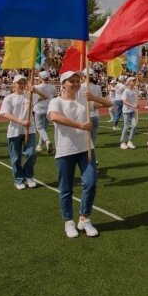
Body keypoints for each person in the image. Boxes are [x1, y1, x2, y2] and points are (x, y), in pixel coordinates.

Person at [48, 71, 103, 238]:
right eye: (71, 81)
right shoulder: (55, 101)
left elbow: (109, 103)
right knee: (66, 188)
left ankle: (84, 218)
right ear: (63, 84)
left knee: (91, 183)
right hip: (65, 150)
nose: (76, 83)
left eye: (78, 81)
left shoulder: (83, 100)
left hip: (86, 148)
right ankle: (68, 221)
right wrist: (80, 125)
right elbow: (54, 116)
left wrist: (94, 98)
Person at [0, 75, 47, 190]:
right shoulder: (9, 98)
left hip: (29, 130)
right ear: (14, 85)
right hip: (14, 131)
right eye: (19, 83)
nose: (21, 85)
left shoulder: (30, 96)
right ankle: (19, 179)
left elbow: (45, 97)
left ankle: (29, 176)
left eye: (23, 82)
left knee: (31, 153)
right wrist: (20, 121)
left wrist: (35, 90)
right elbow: (5, 113)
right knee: (16, 157)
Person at [33, 71, 58, 153]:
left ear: (41, 78)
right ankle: (39, 145)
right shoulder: (53, 87)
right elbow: (55, 97)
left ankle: (47, 141)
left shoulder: (37, 87)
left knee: (40, 128)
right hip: (48, 109)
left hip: (39, 109)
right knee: (43, 129)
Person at [119, 76, 139, 149]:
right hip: (126, 111)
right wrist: (133, 105)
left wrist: (136, 104)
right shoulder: (126, 91)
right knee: (126, 126)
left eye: (134, 81)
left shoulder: (135, 90)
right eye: (133, 81)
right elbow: (124, 101)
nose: (134, 82)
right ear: (129, 82)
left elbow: (136, 99)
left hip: (133, 110)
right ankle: (122, 142)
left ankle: (130, 141)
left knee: (134, 126)